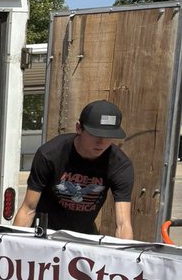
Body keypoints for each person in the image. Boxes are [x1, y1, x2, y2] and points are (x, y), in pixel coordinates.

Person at [15, 99, 134, 238]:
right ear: (79, 128)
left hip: (82, 236)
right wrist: (12, 247)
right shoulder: (50, 155)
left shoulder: (120, 165)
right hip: (44, 234)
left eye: (109, 136)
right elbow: (28, 208)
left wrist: (127, 258)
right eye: (95, 134)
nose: (101, 142)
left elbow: (123, 224)